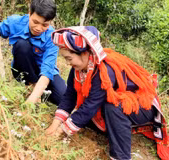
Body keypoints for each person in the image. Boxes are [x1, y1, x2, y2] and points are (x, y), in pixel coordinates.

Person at [45, 26, 169, 160]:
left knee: (112, 107)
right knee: (89, 114)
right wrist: (54, 125)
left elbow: (90, 106)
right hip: (117, 104)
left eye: (69, 58)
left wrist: (60, 131)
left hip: (142, 106)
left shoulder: (104, 72)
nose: (67, 63)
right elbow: (69, 97)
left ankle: (120, 156)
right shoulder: (77, 69)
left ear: (85, 53)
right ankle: (112, 127)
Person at [0, 0, 66, 105]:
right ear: (29, 14)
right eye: (35, 22)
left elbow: (47, 71)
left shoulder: (52, 37)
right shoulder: (16, 22)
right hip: (22, 70)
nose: (38, 28)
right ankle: (33, 86)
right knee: (22, 45)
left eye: (44, 25)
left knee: (62, 97)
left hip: (43, 71)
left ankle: (40, 91)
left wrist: (31, 100)